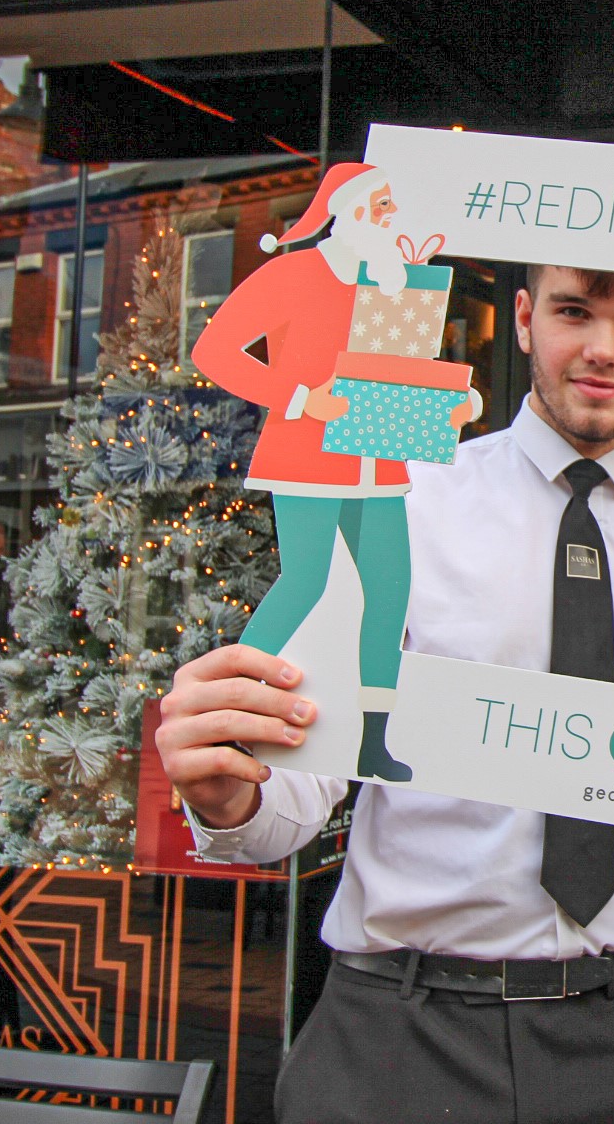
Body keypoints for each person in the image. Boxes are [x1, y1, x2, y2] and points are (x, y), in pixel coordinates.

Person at [158, 262, 614, 1124]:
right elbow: (296, 797)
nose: (603, 350)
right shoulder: (401, 505)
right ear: (527, 319)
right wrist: (230, 797)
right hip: (396, 1035)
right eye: (575, 312)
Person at [189, 161, 483, 781]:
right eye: (379, 206)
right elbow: (213, 351)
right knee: (304, 583)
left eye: (389, 206)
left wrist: (450, 406)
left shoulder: (394, 286)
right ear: (346, 213)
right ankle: (231, 711)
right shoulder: (292, 274)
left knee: (389, 594)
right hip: (307, 462)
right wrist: (299, 397)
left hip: (378, 461)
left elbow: (400, 379)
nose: (389, 217)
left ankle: (373, 741)